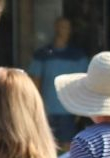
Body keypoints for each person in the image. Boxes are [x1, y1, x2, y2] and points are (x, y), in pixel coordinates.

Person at [27, 17, 88, 146]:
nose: (63, 30)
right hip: (46, 111)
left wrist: (79, 109)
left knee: (68, 149)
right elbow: (35, 81)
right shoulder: (42, 54)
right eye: (60, 26)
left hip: (68, 110)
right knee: (46, 146)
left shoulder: (78, 55)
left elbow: (83, 82)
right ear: (55, 27)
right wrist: (37, 106)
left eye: (66, 27)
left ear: (70, 30)